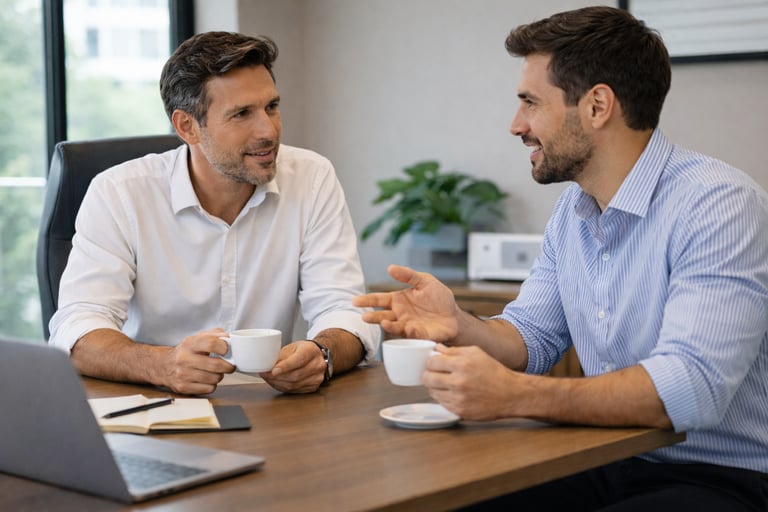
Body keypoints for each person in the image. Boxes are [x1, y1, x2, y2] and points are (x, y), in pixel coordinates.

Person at [354, 6, 768, 511]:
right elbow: (532, 337)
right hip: (600, 455)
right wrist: (459, 323)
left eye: (530, 102)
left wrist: (517, 396)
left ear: (597, 106)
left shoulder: (718, 203)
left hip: (721, 477)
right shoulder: (572, 212)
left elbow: (692, 387)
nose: (516, 125)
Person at [49, 31, 380, 396]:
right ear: (187, 126)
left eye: (271, 106)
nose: (269, 130)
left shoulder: (312, 178)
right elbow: (77, 328)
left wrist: (323, 353)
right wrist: (163, 365)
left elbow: (346, 310)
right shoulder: (119, 193)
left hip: (273, 411)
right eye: (242, 114)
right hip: (151, 409)